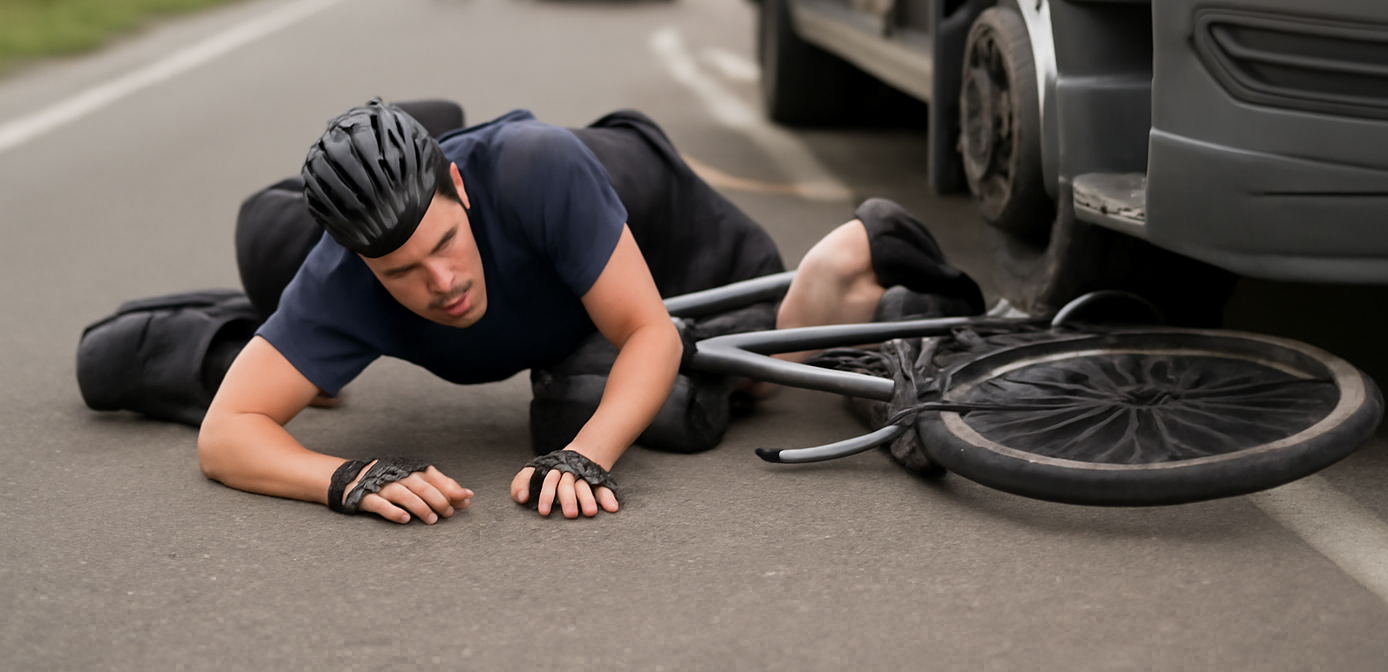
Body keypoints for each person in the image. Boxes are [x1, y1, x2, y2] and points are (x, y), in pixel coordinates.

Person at [198, 100, 983, 525]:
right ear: (361, 264)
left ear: (459, 188)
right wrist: (346, 477)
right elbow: (227, 434)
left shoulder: (533, 169)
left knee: (741, 386)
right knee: (584, 384)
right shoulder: (342, 274)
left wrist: (587, 456)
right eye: (402, 271)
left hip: (666, 232)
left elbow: (645, 330)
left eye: (445, 242)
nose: (439, 282)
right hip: (562, 302)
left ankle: (852, 255)